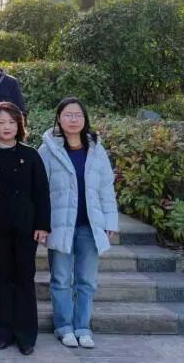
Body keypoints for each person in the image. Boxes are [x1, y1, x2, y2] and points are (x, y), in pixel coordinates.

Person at [39, 97, 119, 350]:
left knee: (86, 281)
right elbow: (39, 191)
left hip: (90, 225)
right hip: (60, 224)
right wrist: (41, 224)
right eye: (68, 115)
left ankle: (83, 327)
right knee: (61, 279)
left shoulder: (96, 149)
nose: (73, 120)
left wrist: (110, 220)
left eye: (78, 115)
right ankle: (64, 327)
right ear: (59, 119)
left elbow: (106, 187)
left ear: (85, 119)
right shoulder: (47, 150)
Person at [0, 102, 50, 355]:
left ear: (19, 125)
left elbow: (41, 193)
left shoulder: (31, 155)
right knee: (2, 278)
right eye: (1, 122)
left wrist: (43, 225)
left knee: (25, 279)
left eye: (11, 122)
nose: (6, 127)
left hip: (26, 227)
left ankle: (26, 336)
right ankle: (2, 333)